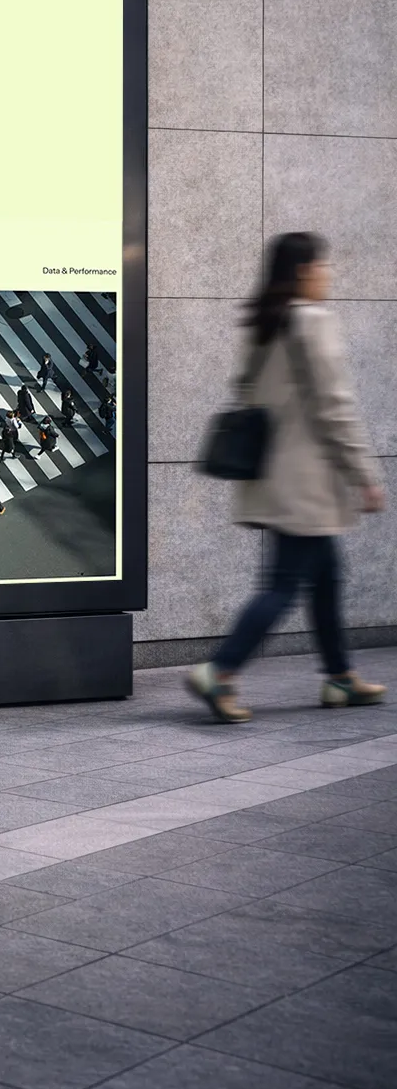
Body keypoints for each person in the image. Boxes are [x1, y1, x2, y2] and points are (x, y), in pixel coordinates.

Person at [187, 232, 386, 725]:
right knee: (281, 585)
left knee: (326, 579)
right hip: (307, 481)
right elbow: (335, 407)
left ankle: (340, 677)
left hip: (275, 475)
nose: (330, 273)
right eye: (324, 265)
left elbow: (247, 390)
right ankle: (221, 670)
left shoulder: (266, 324)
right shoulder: (313, 322)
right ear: (303, 271)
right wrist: (365, 473)